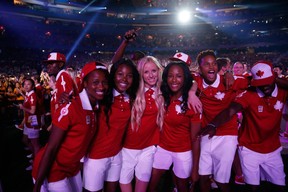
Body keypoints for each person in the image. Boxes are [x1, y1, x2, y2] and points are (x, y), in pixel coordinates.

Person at [199, 60, 287, 192]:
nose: (264, 87)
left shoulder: (283, 91)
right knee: (253, 188)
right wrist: (213, 124)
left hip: (273, 148)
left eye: (267, 82)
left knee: (280, 186)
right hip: (249, 148)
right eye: (260, 84)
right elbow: (230, 111)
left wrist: (274, 79)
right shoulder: (248, 94)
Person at [32, 61, 109, 192]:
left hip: (72, 168)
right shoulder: (71, 107)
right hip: (54, 168)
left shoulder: (97, 107)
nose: (101, 87)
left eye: (105, 82)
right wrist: (37, 186)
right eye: (95, 82)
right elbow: (51, 148)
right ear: (84, 83)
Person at [83, 58, 140, 192]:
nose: (124, 79)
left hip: (117, 155)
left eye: (129, 75)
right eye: (120, 74)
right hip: (96, 157)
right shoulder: (101, 96)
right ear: (113, 75)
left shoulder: (130, 99)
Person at [193, 50, 246, 192]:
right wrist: (192, 92)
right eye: (207, 64)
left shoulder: (231, 81)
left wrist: (229, 72)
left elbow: (259, 81)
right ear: (199, 69)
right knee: (203, 176)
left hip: (227, 135)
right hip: (205, 134)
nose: (211, 67)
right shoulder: (196, 81)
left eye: (214, 64)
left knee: (221, 180)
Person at [148, 61, 201, 192]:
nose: (174, 80)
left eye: (179, 76)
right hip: (163, 148)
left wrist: (195, 169)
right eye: (170, 76)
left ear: (185, 78)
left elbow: (195, 138)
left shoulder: (192, 103)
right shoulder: (164, 95)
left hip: (183, 152)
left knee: (182, 187)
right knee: (152, 184)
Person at [119, 56, 164, 192]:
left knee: (142, 186)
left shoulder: (164, 90)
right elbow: (114, 72)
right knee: (124, 182)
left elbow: (190, 80)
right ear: (141, 74)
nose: (151, 75)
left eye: (154, 71)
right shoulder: (131, 91)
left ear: (159, 71)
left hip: (148, 148)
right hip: (127, 148)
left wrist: (192, 91)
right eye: (146, 72)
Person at [43, 52, 78, 117]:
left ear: (60, 64)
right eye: (48, 63)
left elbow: (65, 104)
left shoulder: (63, 76)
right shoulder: (60, 77)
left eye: (51, 63)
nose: (48, 66)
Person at [18, 78, 41, 170]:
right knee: (25, 140)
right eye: (25, 84)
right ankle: (35, 155)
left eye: (28, 84)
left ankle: (37, 163)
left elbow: (32, 111)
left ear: (32, 86)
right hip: (28, 122)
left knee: (35, 144)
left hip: (33, 122)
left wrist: (22, 107)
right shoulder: (28, 94)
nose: (26, 86)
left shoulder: (32, 95)